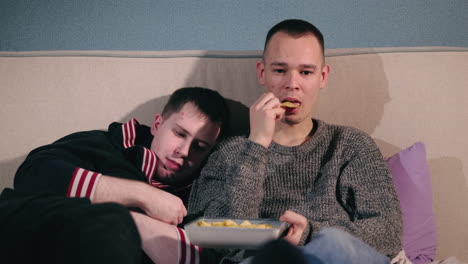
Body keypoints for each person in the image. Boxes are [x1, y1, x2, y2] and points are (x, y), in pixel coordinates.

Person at [187, 19, 403, 263]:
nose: (292, 84)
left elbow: (390, 233)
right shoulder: (229, 153)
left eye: (306, 72)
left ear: (322, 77)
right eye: (280, 70)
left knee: (334, 242)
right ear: (262, 73)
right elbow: (217, 241)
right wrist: (256, 145)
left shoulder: (350, 145)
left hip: (333, 256)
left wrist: (310, 233)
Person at [0, 87, 229, 264]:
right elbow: (33, 176)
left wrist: (133, 222)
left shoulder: (201, 192)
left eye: (199, 146)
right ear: (157, 124)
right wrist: (141, 195)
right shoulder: (104, 144)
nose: (184, 151)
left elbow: (212, 256)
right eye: (179, 133)